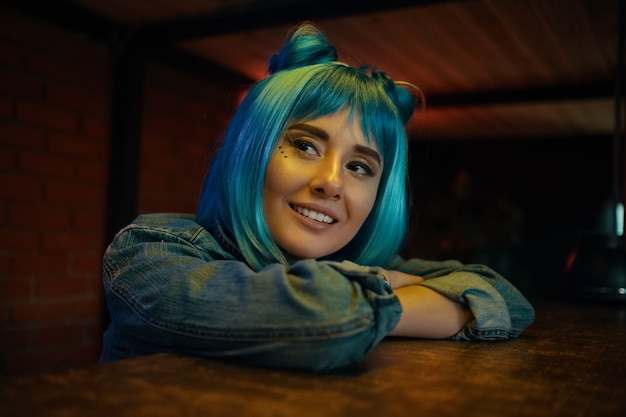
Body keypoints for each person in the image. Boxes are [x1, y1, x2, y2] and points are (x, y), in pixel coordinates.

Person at [99, 23, 534, 372]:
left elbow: (506, 301)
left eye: (360, 166)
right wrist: (389, 288)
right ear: (253, 150)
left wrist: (368, 292)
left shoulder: (355, 261)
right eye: (306, 145)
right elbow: (324, 316)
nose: (333, 183)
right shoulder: (151, 251)